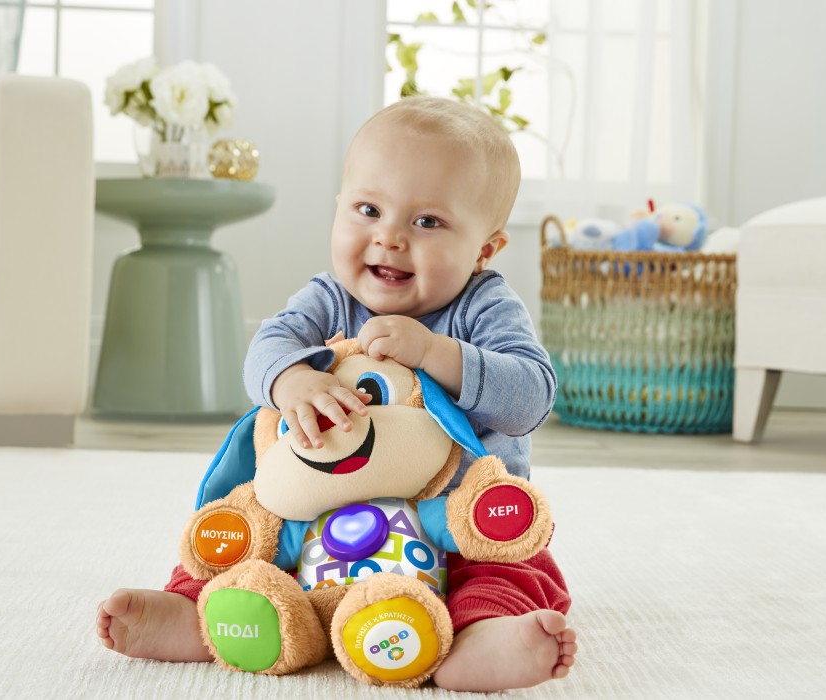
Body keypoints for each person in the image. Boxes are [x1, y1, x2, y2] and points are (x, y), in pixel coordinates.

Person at [96, 96, 576, 692]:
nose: (389, 238)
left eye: (428, 222)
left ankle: (481, 635)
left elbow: (531, 397)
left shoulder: (486, 306)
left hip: (450, 524)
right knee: (244, 540)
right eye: (369, 210)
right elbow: (267, 349)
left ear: (484, 250)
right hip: (314, 515)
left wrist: (435, 353)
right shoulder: (328, 300)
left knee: (512, 566)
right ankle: (195, 611)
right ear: (339, 208)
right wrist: (292, 379)